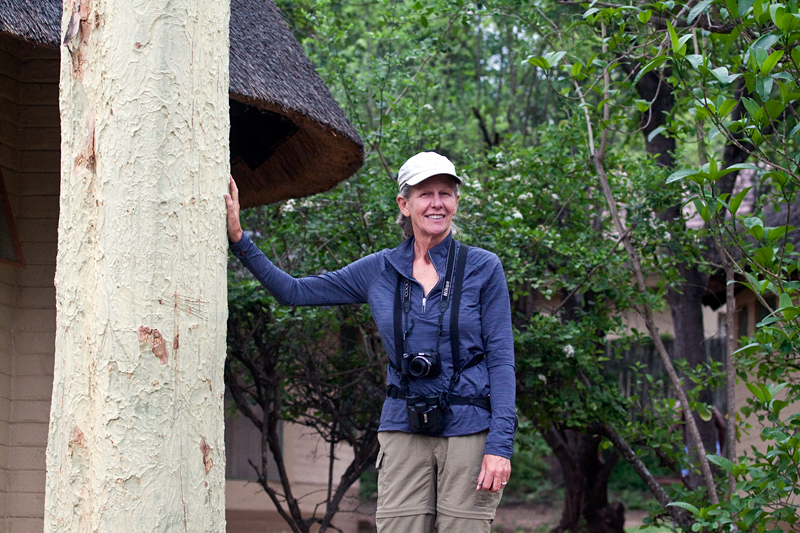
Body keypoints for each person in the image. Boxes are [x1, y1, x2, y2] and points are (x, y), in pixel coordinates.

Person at [225, 152, 516, 532]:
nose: (437, 203)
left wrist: (500, 446)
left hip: (471, 430)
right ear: (404, 203)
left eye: (446, 193)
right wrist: (238, 239)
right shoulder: (379, 269)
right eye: (425, 193)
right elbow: (293, 292)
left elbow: (502, 359)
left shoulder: (483, 267)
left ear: (456, 202)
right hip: (403, 425)